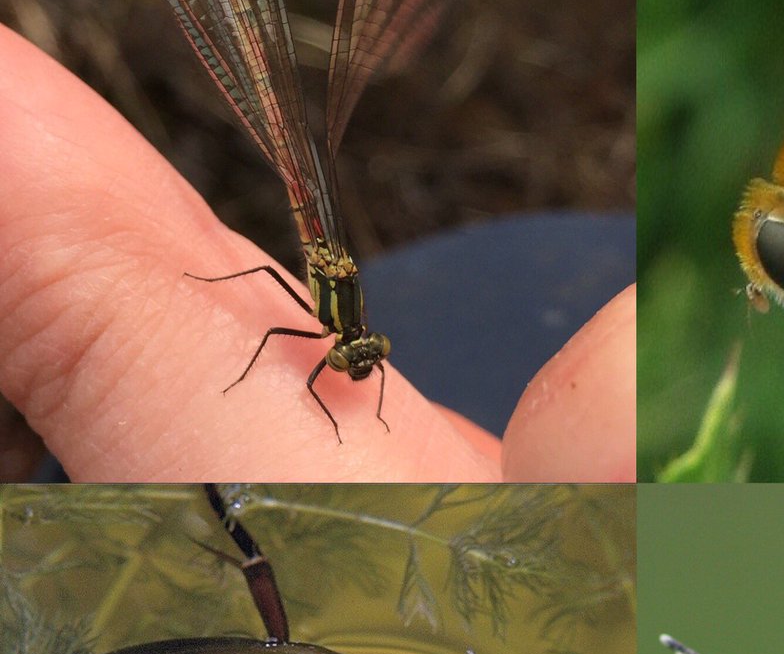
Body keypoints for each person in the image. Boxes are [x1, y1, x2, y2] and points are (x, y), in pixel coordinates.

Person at [0, 25, 635, 482]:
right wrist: (217, 306)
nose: (362, 364)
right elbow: (267, 285)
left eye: (359, 358)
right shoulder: (338, 320)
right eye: (363, 356)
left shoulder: (350, 332)